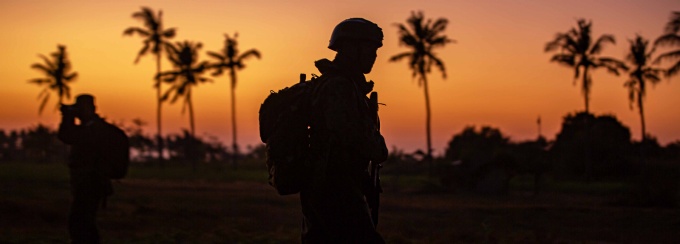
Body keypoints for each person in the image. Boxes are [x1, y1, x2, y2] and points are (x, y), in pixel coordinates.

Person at [301, 18, 388, 243]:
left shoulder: (347, 86)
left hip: (336, 187)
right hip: (333, 190)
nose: (374, 55)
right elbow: (351, 135)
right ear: (351, 48)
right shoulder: (338, 87)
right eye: (369, 48)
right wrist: (379, 147)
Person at [57, 94, 120, 244]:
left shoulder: (92, 130)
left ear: (91, 109)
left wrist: (67, 117)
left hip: (91, 182)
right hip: (90, 182)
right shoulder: (94, 128)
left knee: (79, 222)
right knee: (85, 222)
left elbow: (66, 136)